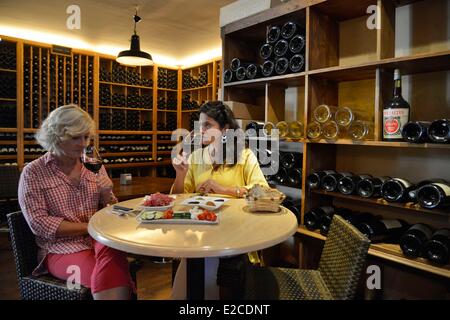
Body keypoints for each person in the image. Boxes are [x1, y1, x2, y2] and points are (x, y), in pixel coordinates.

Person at [18, 104, 134, 300]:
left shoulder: (93, 165)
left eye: (86, 137)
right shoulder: (34, 172)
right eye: (75, 137)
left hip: (99, 241)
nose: (83, 144)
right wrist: (90, 227)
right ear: (56, 136)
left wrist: (108, 197)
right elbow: (39, 224)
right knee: (113, 275)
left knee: (113, 263)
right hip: (60, 249)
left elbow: (109, 212)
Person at [171, 101, 270, 299]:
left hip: (236, 233)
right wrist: (180, 175)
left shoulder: (244, 155)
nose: (201, 130)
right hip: (201, 232)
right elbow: (178, 197)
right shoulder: (196, 156)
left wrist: (224, 189)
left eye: (208, 125)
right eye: (200, 125)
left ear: (225, 130)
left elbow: (263, 190)